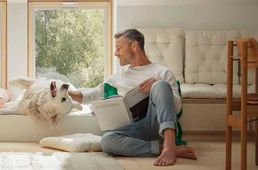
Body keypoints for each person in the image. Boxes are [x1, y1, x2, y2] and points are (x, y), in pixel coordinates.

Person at [69, 29, 197, 166]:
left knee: (160, 85)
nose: (115, 53)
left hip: (156, 124)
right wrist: (66, 92)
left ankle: (169, 145)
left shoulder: (163, 72)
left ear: (134, 46)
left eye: (118, 48)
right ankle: (163, 149)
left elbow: (176, 109)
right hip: (134, 129)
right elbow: (89, 95)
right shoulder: (119, 75)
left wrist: (157, 86)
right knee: (107, 141)